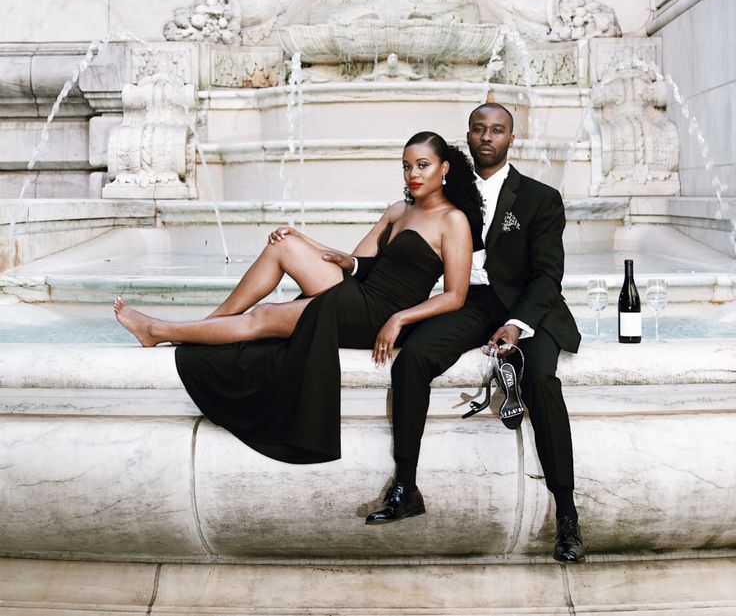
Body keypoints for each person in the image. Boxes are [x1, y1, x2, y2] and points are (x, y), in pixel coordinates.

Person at [114, 131, 485, 465]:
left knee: (265, 316)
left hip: (382, 312)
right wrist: (305, 240)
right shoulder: (398, 211)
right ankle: (207, 324)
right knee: (285, 245)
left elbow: (455, 295)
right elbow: (356, 262)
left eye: (423, 165)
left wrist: (399, 319)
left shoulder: (453, 221)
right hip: (360, 292)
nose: (413, 175)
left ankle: (160, 330)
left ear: (444, 168)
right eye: (406, 167)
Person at [364, 104, 586, 564]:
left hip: (529, 307)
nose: (488, 137)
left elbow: (547, 276)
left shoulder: (540, 198)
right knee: (413, 360)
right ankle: (406, 486)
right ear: (468, 137)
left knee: (540, 381)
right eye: (479, 130)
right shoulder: (450, 194)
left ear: (511, 139)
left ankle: (567, 515)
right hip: (470, 301)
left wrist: (516, 324)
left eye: (497, 130)